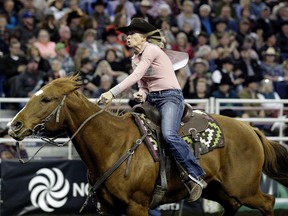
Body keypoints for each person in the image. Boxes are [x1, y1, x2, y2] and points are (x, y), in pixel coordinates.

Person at [99, 18, 207, 202]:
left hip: (170, 97)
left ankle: (195, 175)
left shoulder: (151, 50)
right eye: (127, 35)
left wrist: (112, 92)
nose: (128, 37)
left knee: (168, 135)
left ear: (143, 37)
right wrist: (142, 93)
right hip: (153, 99)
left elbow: (137, 75)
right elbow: (142, 83)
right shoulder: (135, 58)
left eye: (132, 34)